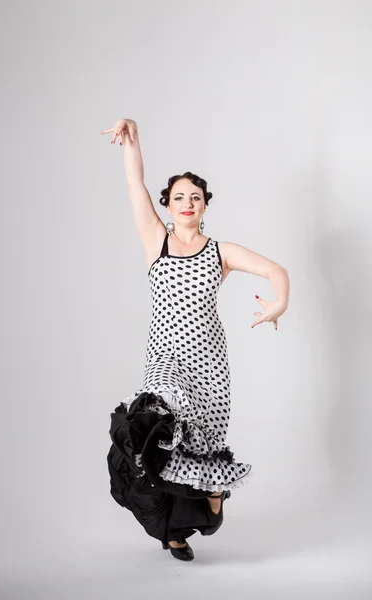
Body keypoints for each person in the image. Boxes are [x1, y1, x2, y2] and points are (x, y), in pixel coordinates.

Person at [101, 118, 290, 562]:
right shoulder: (157, 242)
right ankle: (168, 527)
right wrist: (133, 141)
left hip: (209, 364)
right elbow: (135, 185)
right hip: (165, 358)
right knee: (156, 428)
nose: (187, 203)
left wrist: (278, 303)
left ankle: (203, 509)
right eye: (179, 196)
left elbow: (276, 271)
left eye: (196, 197)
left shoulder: (220, 251)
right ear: (167, 204)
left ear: (205, 205)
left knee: (201, 446)